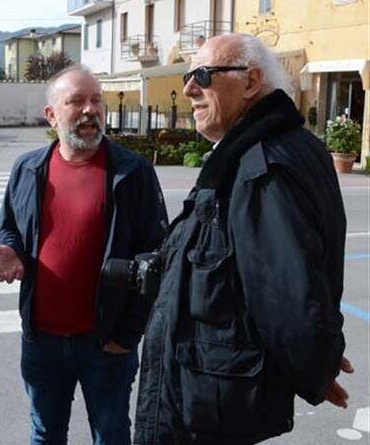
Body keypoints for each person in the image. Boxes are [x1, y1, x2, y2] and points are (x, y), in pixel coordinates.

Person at [134, 34, 351, 445]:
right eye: (187, 75)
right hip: (211, 399)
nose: (188, 88)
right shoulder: (268, 149)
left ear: (251, 83)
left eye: (203, 75)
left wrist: (315, 365)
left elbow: (286, 294)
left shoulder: (260, 166)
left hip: (204, 414)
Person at [0, 66, 168, 445]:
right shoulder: (27, 168)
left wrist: (127, 336)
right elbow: (9, 226)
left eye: (96, 100)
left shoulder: (132, 172)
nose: (90, 110)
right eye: (76, 101)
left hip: (105, 342)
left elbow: (157, 259)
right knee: (45, 433)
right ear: (51, 115)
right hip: (41, 341)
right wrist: (12, 251)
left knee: (111, 436)